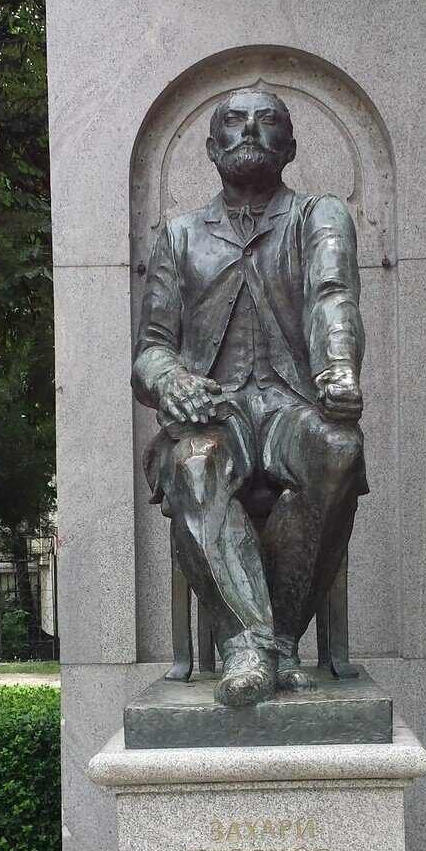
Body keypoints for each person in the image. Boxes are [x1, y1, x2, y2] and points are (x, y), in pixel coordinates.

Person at [133, 88, 366, 707]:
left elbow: (333, 295)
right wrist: (172, 381)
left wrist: (339, 371)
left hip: (293, 406)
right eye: (235, 123)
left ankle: (272, 645)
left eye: (268, 123)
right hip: (217, 410)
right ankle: (253, 646)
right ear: (213, 148)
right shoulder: (180, 236)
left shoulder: (318, 216)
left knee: (338, 449)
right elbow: (150, 349)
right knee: (194, 463)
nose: (251, 132)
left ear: (290, 147)